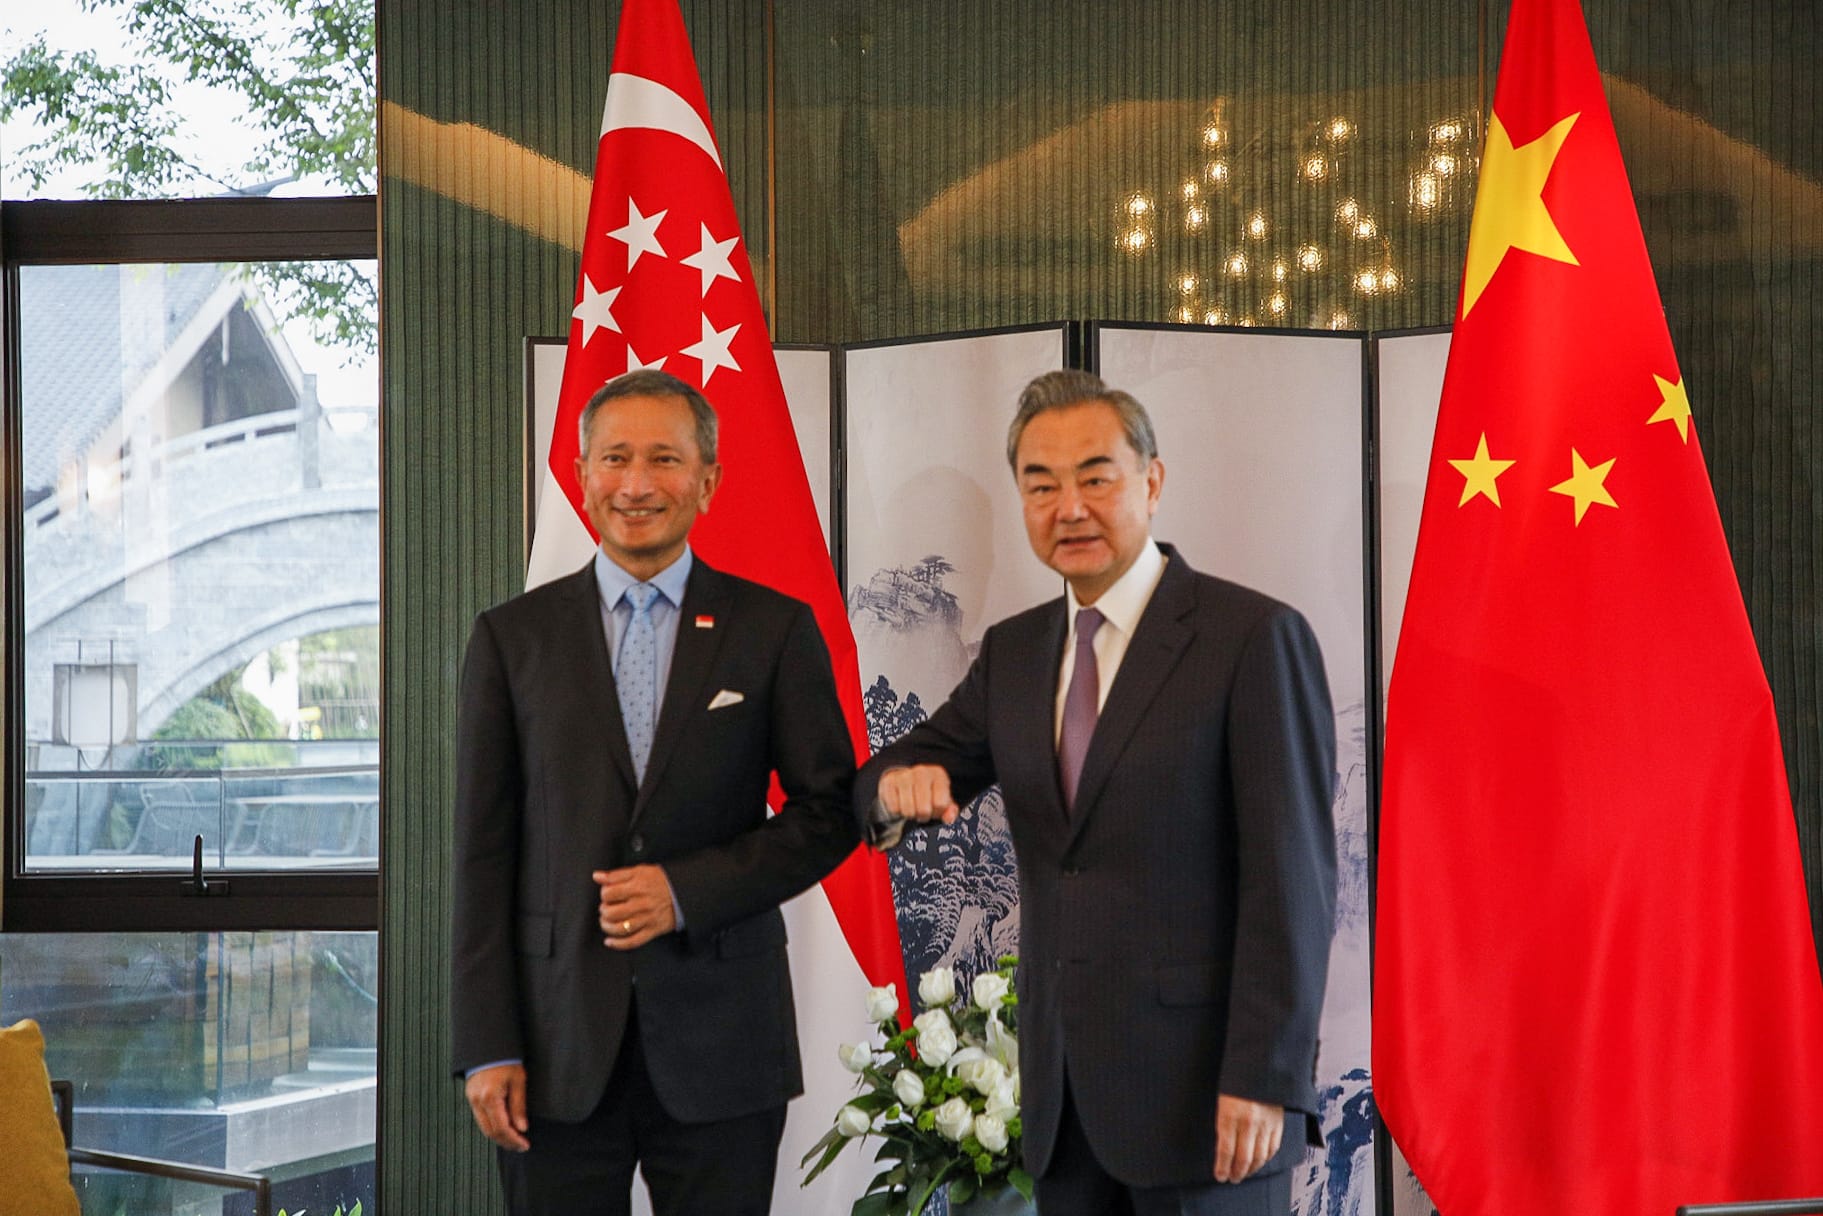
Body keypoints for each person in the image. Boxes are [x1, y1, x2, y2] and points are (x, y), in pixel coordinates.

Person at [860, 370, 1337, 1216]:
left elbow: (1291, 881)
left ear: (1151, 481)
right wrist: (899, 785)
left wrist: (1265, 1078)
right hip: (1063, 1112)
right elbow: (896, 769)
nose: (1067, 506)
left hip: (1209, 1108)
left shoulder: (1249, 638)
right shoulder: (1014, 653)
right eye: (1039, 484)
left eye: (1094, 476)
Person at [451, 368, 859, 1216]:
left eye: (665, 460)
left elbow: (830, 813)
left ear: (707, 482)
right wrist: (486, 1045)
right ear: (581, 472)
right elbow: (482, 856)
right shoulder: (509, 639)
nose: (636, 485)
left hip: (724, 1047)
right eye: (616, 459)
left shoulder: (772, 629)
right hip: (553, 1048)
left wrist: (686, 891)